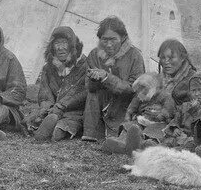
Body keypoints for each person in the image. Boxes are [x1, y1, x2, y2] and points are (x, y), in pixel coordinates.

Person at [81, 16, 145, 145]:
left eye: (113, 39)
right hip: (100, 106)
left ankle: (119, 136)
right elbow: (89, 87)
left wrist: (106, 78)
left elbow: (135, 89)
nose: (109, 44)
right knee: (93, 93)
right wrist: (94, 79)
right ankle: (90, 133)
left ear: (123, 38)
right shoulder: (94, 54)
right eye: (105, 40)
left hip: (124, 107)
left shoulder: (134, 56)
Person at [28, 26, 89, 142]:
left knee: (65, 125)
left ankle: (53, 130)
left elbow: (81, 92)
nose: (60, 48)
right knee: (34, 119)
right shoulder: (48, 68)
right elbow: (45, 92)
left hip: (73, 111)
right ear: (52, 47)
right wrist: (46, 107)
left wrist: (60, 107)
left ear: (72, 45)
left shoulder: (84, 65)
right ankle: (44, 126)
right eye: (57, 43)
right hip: (51, 109)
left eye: (64, 43)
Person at [99, 72, 174, 153]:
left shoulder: (166, 96)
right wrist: (128, 118)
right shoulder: (139, 97)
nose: (140, 92)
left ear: (153, 87)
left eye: (143, 89)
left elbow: (169, 112)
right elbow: (131, 109)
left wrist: (159, 115)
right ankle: (122, 142)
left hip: (157, 123)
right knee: (130, 127)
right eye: (139, 89)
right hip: (140, 121)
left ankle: (148, 145)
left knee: (153, 131)